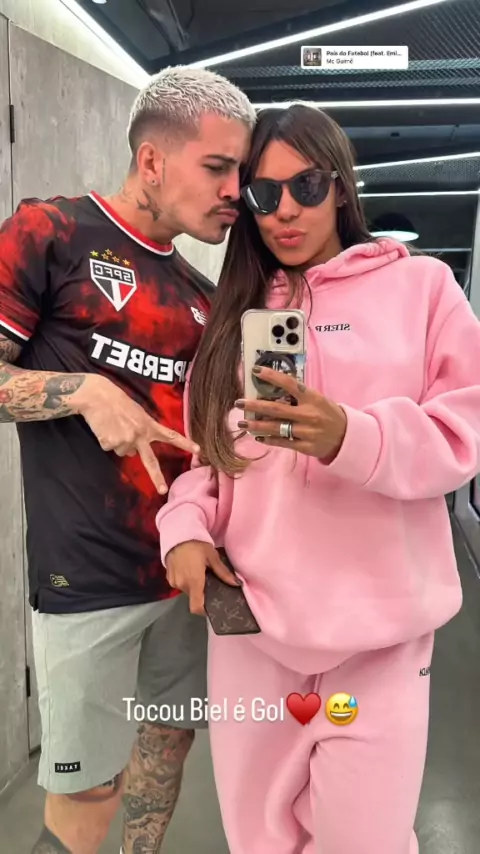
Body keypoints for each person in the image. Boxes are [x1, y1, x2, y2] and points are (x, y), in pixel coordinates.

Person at [156, 103, 480, 854]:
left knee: (365, 841)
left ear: (340, 185)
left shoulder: (422, 288)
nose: (285, 211)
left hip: (381, 639)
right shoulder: (235, 314)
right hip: (255, 631)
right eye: (264, 194)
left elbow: (465, 429)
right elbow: (207, 461)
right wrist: (186, 531)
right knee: (259, 840)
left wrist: (353, 437)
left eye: (305, 186)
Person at [0, 66, 254, 854]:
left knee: (163, 761)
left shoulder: (201, 295)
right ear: (152, 160)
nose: (235, 192)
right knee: (88, 799)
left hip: (184, 575)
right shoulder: (50, 233)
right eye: (218, 168)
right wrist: (83, 391)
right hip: (86, 581)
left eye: (240, 173)